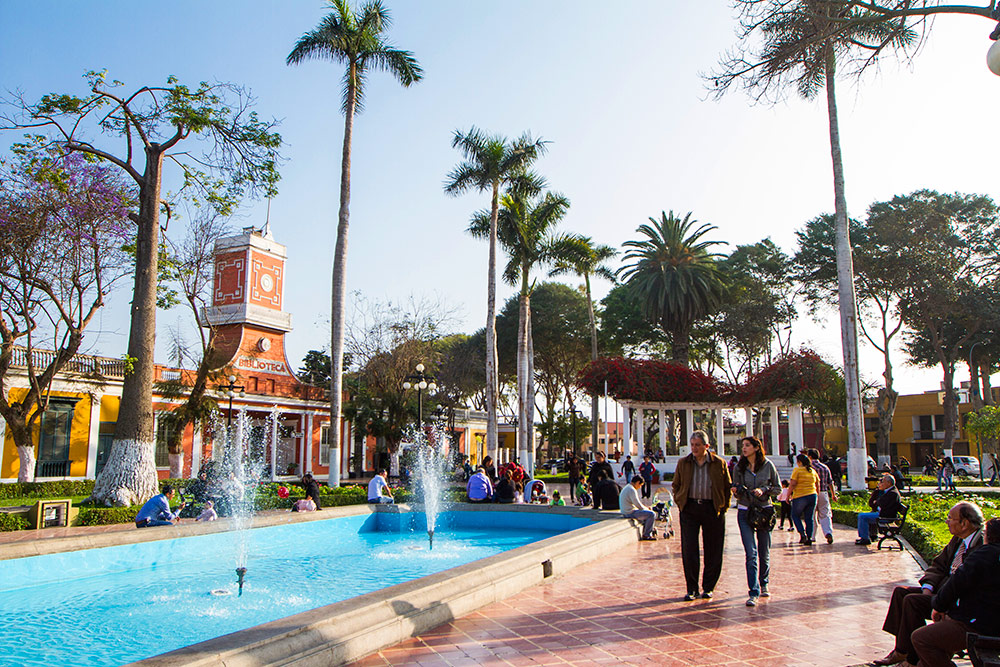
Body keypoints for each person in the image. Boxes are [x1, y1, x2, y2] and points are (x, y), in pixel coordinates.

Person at [871, 501, 985, 667]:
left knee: (912, 601)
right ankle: (902, 650)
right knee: (901, 593)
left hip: (956, 601)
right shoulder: (959, 539)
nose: (946, 521)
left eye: (950, 518)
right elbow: (938, 565)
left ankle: (910, 658)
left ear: (964, 523)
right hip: (943, 593)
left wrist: (941, 603)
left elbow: (966, 583)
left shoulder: (980, 546)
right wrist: (928, 588)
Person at [909, 517, 1000, 667]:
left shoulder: (985, 554)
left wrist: (938, 607)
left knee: (921, 638)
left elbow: (957, 582)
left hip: (981, 626)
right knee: (924, 663)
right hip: (985, 620)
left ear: (989, 537)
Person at [672, 429, 732, 601]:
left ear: (706, 446)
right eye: (692, 445)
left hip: (712, 509)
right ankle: (692, 588)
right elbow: (676, 485)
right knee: (689, 549)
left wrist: (723, 506)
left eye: (698, 445)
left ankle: (709, 587)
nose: (694, 448)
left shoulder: (718, 463)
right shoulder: (684, 463)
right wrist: (680, 502)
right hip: (690, 508)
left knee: (713, 549)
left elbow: (727, 487)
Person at [732, 436, 780, 606]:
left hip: (764, 511)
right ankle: (753, 591)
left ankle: (764, 582)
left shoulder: (768, 466)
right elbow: (735, 486)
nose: (744, 449)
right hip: (745, 511)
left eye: (747, 446)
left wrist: (764, 490)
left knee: (763, 550)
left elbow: (778, 488)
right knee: (750, 553)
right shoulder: (739, 467)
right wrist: (736, 490)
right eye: (742, 446)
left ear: (756, 448)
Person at [855, 473, 903, 546]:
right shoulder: (890, 491)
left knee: (862, 516)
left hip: (885, 516)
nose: (881, 483)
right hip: (884, 514)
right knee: (863, 516)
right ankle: (865, 537)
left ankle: (865, 539)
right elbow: (879, 502)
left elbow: (881, 502)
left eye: (883, 481)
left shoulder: (893, 493)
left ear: (889, 483)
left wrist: (877, 502)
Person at [807, 448, 837, 544]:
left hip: (811, 493)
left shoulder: (808, 468)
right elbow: (830, 482)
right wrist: (833, 494)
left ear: (810, 457)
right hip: (823, 492)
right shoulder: (825, 467)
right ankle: (828, 532)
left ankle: (811, 536)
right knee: (825, 514)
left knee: (812, 515)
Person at [788, 453, 819, 545]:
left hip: (800, 496)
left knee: (795, 515)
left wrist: (788, 495)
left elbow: (793, 484)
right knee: (809, 518)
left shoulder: (797, 470)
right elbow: (818, 484)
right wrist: (817, 494)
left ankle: (802, 534)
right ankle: (809, 537)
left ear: (799, 462)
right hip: (812, 495)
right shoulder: (812, 471)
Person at [620, 475, 657, 541]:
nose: (640, 487)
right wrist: (647, 509)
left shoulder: (628, 487)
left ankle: (648, 531)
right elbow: (638, 504)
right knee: (652, 514)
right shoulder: (631, 489)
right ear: (637, 482)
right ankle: (646, 535)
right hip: (629, 512)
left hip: (626, 511)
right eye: (640, 485)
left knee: (646, 515)